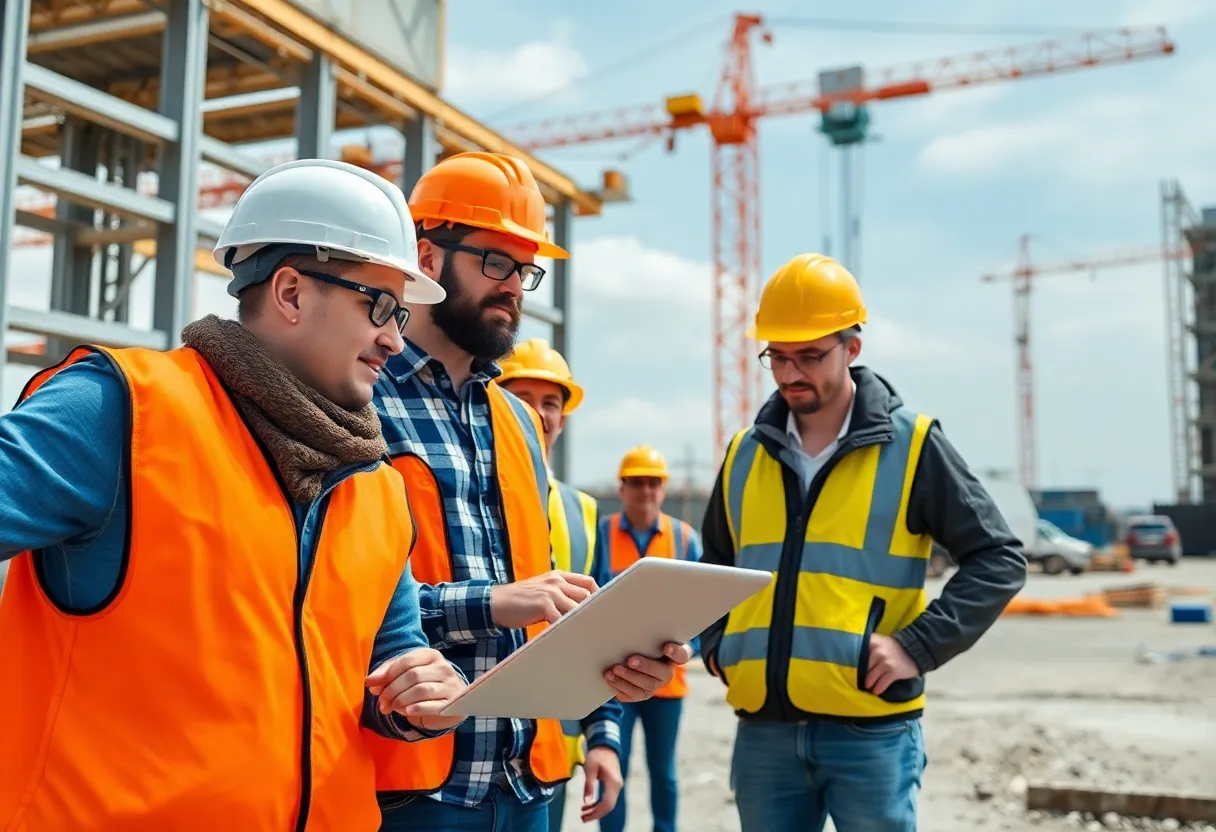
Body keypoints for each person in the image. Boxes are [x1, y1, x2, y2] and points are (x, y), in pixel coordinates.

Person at [0, 158, 469, 830]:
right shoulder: (123, 411)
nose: (396, 338)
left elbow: (387, 666)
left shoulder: (375, 487)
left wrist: (420, 693)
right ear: (290, 291)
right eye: (382, 306)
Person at [364, 150, 692, 832]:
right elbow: (336, 599)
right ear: (426, 256)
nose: (515, 286)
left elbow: (543, 605)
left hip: (526, 787)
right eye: (495, 262)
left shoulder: (513, 421)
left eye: (525, 270)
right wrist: (496, 603)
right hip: (411, 792)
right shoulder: (361, 399)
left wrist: (612, 687)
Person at [698, 253, 1028, 832]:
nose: (790, 373)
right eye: (776, 356)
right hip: (763, 733)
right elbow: (714, 566)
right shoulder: (744, 453)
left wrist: (918, 646)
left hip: (869, 732)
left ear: (852, 348)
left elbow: (998, 559)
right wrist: (716, 643)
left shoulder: (914, 445)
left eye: (810, 356)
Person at [494, 337, 624, 830]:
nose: (540, 414)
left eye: (551, 403)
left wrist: (603, 738)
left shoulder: (581, 511)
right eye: (523, 398)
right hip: (463, 743)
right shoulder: (468, 494)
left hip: (550, 749)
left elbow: (601, 633)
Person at [596, 445, 703, 832]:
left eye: (653, 482)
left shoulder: (685, 538)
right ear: (622, 488)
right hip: (611, 682)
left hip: (668, 687)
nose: (645, 490)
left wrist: (689, 649)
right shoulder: (600, 535)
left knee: (664, 772)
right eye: (637, 482)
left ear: (663, 489)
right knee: (613, 769)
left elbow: (704, 613)